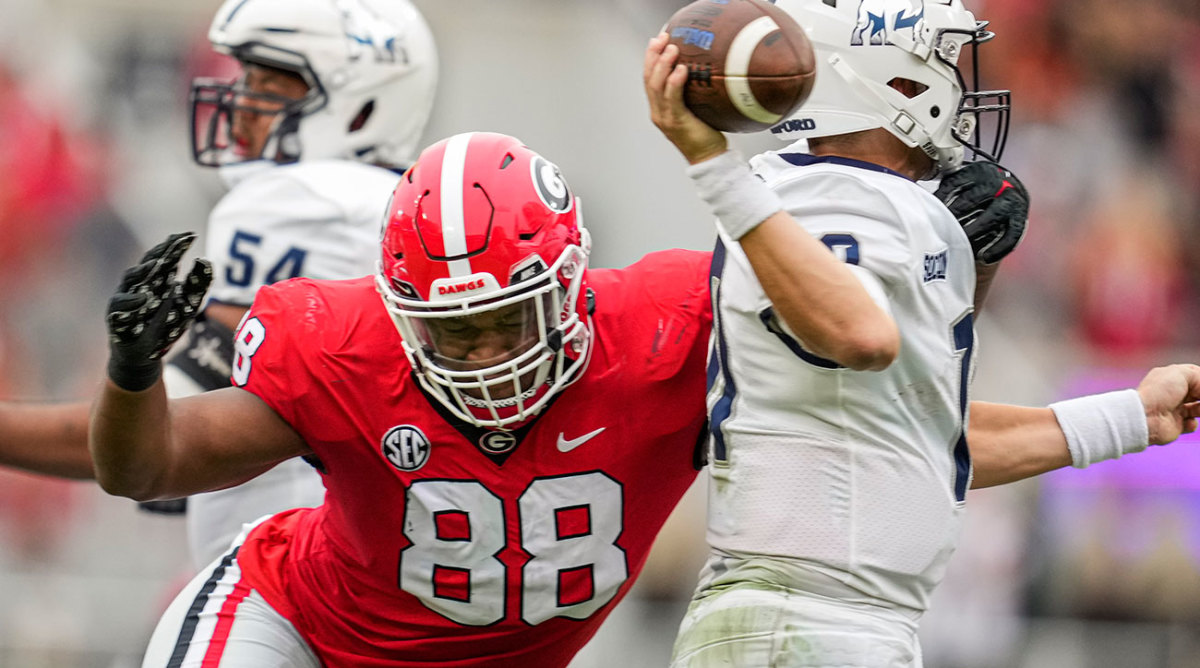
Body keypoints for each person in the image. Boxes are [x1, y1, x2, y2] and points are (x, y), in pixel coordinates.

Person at [80, 128, 1199, 667]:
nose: (478, 352)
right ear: (395, 308)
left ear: (568, 285)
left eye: (503, 317)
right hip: (298, 632)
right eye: (448, 326)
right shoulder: (345, 345)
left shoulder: (667, 330)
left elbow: (904, 443)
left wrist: (1125, 417)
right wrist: (133, 370)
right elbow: (147, 468)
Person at [642, 1, 1174, 666]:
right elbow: (864, 337)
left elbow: (925, 432)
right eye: (942, 63)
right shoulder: (836, 195)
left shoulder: (840, 198)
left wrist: (1134, 418)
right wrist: (713, 167)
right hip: (807, 620)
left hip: (829, 620)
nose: (961, 84)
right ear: (886, 83)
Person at [0, 0, 438, 570]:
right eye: (242, 80)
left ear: (361, 104)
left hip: (294, 575)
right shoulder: (401, 206)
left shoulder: (305, 205)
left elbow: (156, 440)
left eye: (267, 86)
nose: (239, 108)